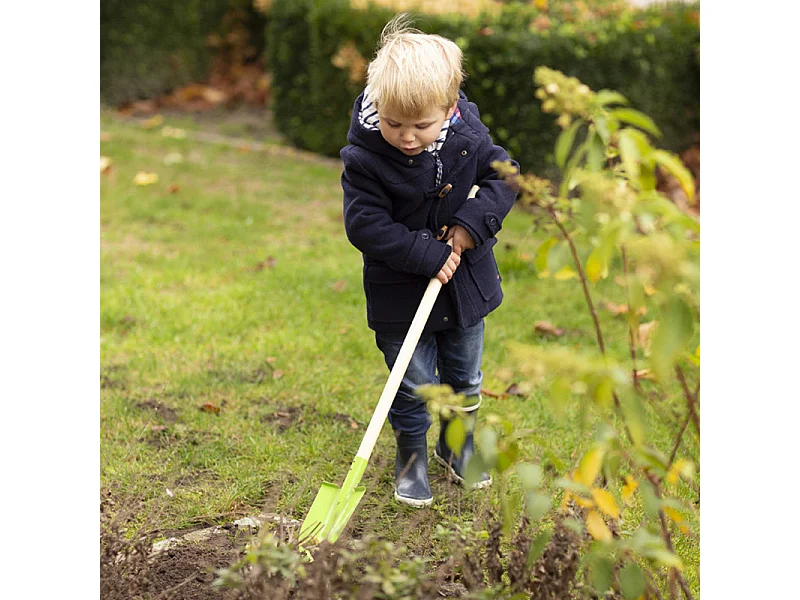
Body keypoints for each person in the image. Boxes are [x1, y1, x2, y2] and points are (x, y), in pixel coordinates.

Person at [340, 14, 519, 507]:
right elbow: (365, 225)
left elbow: (506, 177)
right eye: (395, 123)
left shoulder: (468, 136)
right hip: (401, 294)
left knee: (465, 377)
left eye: (421, 125)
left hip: (464, 289)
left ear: (449, 107)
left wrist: (471, 224)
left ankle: (456, 448)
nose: (407, 136)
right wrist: (428, 252)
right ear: (379, 105)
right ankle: (412, 458)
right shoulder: (366, 158)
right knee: (412, 383)